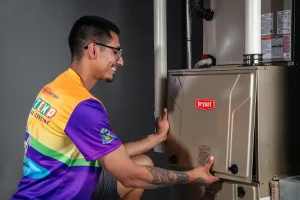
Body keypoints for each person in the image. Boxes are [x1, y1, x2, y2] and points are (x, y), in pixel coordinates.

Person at [12, 15, 220, 200]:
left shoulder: (54, 88)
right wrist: (192, 176)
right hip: (58, 195)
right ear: (93, 50)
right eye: (116, 52)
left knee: (143, 162)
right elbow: (129, 176)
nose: (120, 61)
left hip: (44, 189)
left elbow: (111, 154)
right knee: (136, 173)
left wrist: (156, 138)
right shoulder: (83, 107)